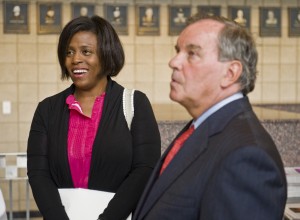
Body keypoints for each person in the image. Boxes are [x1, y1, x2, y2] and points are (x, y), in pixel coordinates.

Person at [133, 12, 287, 220]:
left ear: (230, 73)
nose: (173, 62)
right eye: (178, 51)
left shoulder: (247, 158)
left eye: (192, 54)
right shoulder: (200, 127)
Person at [27, 15, 161, 220]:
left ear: (107, 55)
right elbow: (38, 173)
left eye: (86, 51)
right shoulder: (47, 109)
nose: (75, 59)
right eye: (69, 52)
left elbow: (145, 169)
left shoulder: (135, 103)